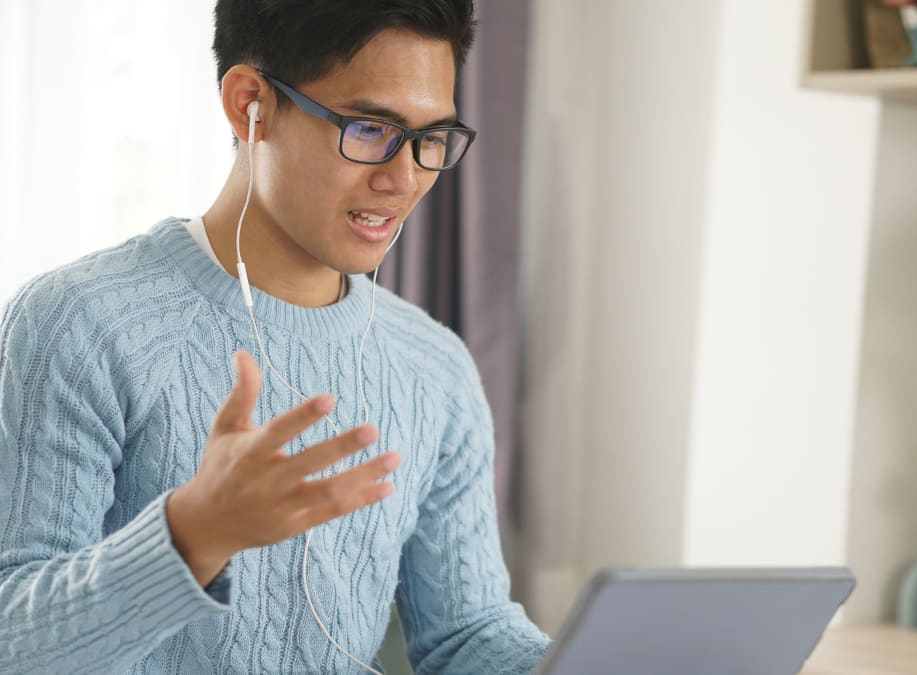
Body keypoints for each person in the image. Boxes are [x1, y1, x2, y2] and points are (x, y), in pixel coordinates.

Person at [0, 1, 550, 673]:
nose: (404, 178)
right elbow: (12, 641)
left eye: (431, 137)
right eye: (370, 127)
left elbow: (468, 634)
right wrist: (190, 536)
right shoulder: (78, 321)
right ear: (249, 103)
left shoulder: (436, 367)